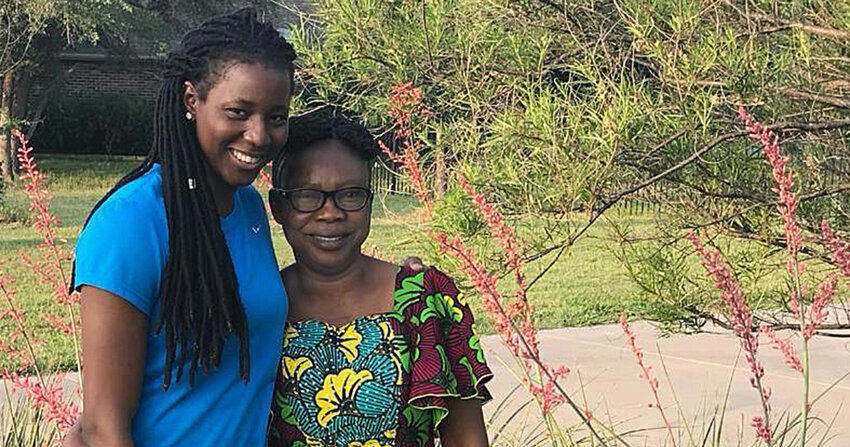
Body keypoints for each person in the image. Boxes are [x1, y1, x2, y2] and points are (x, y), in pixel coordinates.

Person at [67, 8, 296, 447]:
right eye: (238, 112)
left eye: (277, 117)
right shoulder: (132, 222)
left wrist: (396, 285)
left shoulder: (246, 205)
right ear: (192, 100)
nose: (259, 135)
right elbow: (102, 430)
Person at [267, 113, 493, 447]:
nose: (330, 212)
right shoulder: (259, 309)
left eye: (350, 194)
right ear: (278, 206)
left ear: (369, 202)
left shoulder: (424, 302)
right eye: (307, 195)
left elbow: (465, 438)